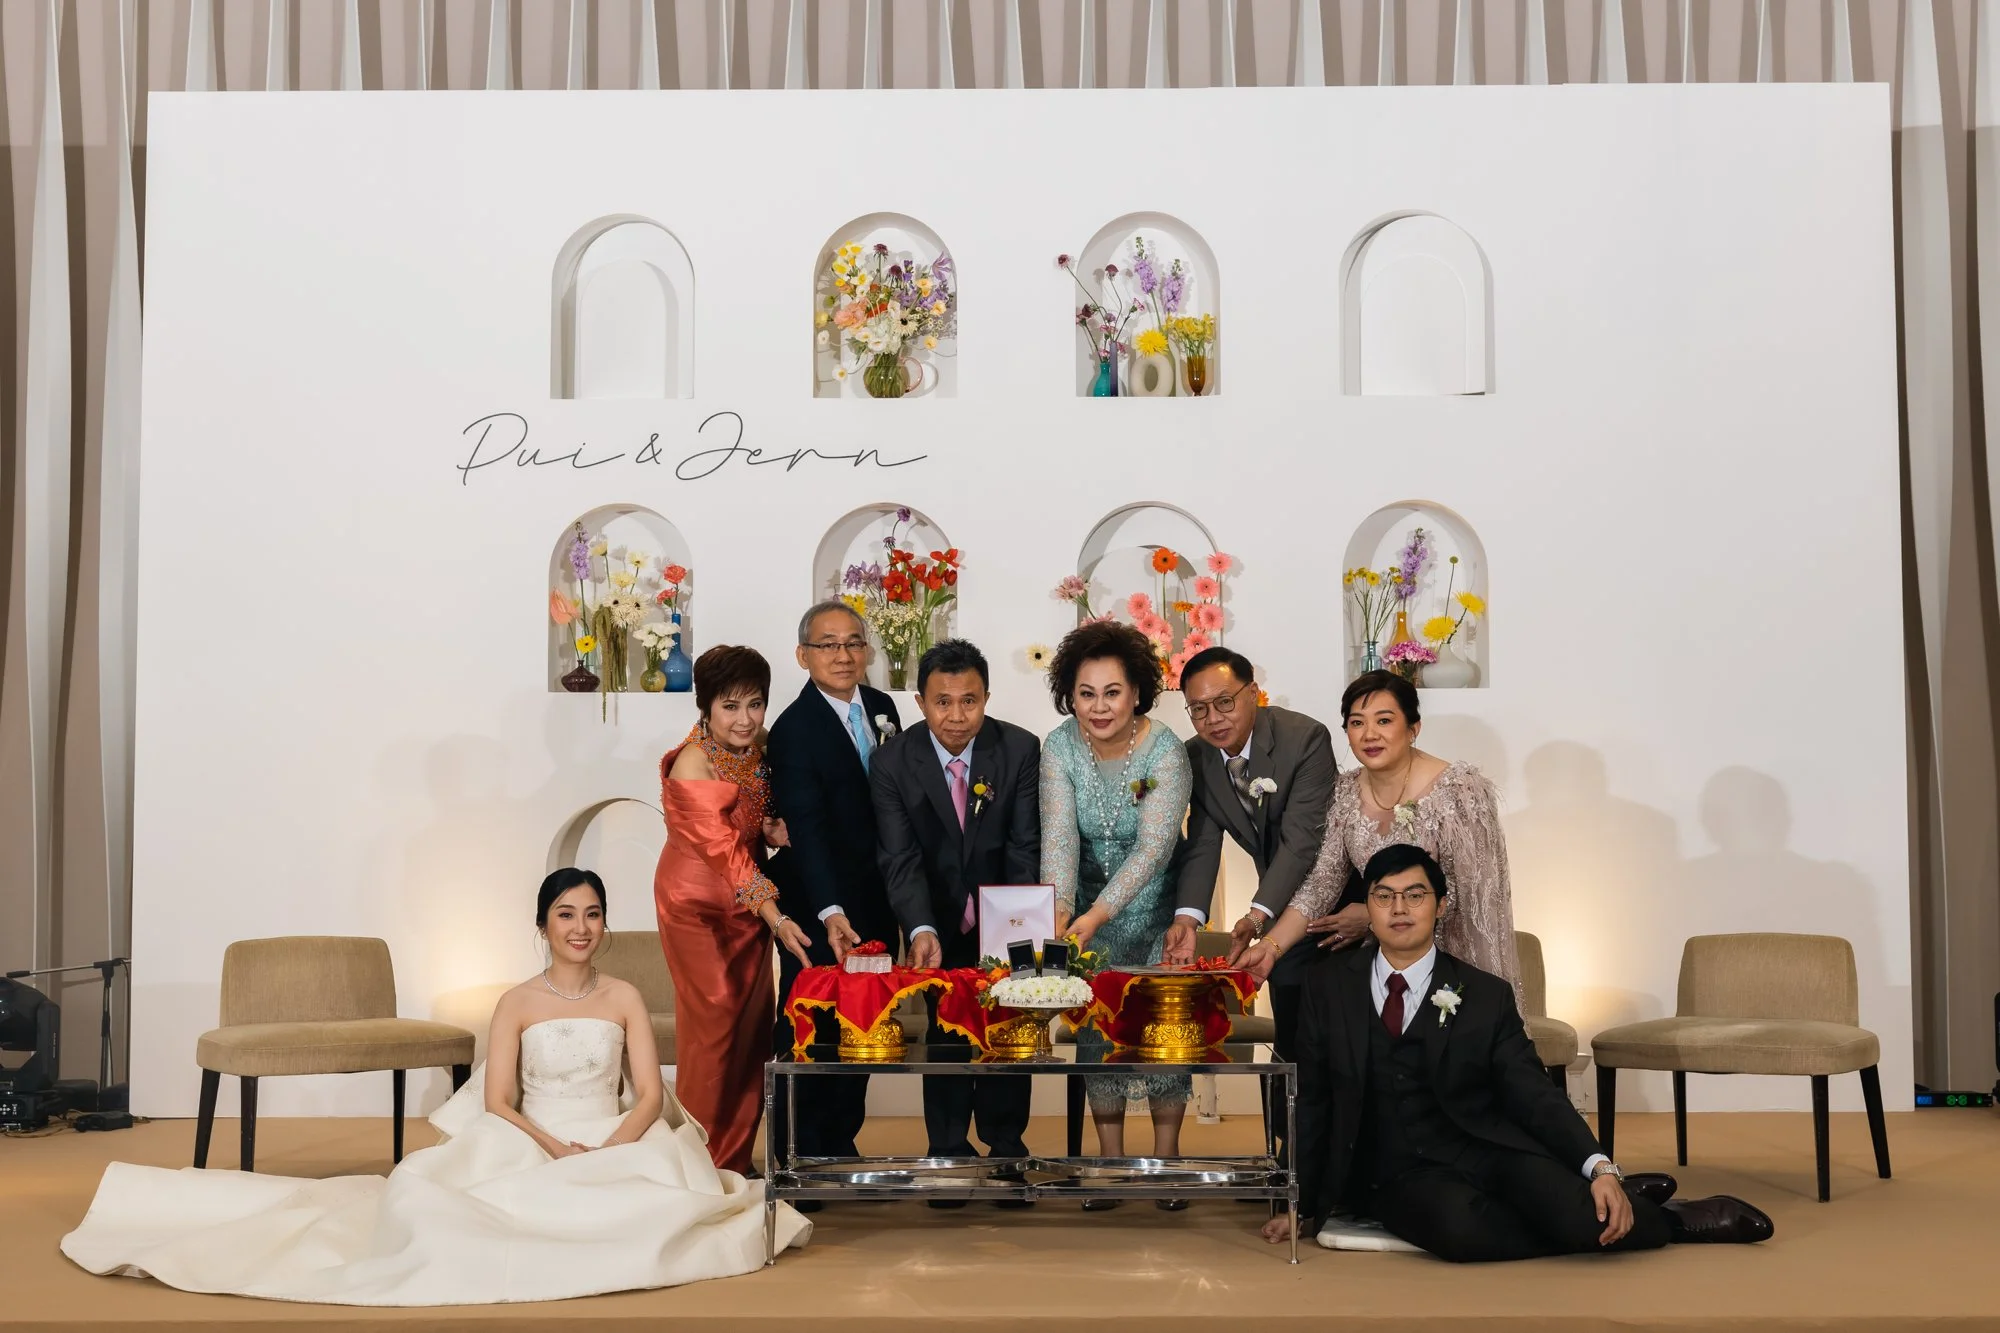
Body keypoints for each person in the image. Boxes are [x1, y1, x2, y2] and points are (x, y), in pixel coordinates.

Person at [61, 869, 811, 1304]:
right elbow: (499, 1101)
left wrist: (611, 1148)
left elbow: (647, 1095)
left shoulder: (622, 997)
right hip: (532, 1132)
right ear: (543, 925)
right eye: (565, 915)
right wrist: (554, 1148)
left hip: (613, 1133)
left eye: (592, 915)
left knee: (664, 1201)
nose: (580, 927)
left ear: (605, 924)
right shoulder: (517, 1001)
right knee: (438, 1208)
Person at [1264, 844, 1773, 1261]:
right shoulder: (1326, 987)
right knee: (1461, 1233)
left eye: (1415, 895)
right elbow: (1312, 1100)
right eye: (1384, 896)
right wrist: (1300, 1200)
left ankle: (1648, 1211)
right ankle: (1669, 1220)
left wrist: (1598, 1166)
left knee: (1578, 1212)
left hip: (1484, 1147)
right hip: (1392, 1172)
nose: (1399, 909)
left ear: (1441, 906)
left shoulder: (1485, 994)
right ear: (1368, 908)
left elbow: (1532, 1091)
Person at [1236, 670, 1524, 1013]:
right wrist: (1270, 947)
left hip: (1452, 960)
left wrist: (1375, 914)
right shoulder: (1346, 791)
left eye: (1384, 720)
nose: (1369, 734)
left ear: (1413, 727)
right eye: (1357, 723)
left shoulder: (1460, 790)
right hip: (1383, 964)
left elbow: (1476, 899)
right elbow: (1321, 882)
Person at [872, 639, 1039, 1188]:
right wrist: (920, 927)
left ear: (986, 697)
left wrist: (1016, 930)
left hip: (1006, 914)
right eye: (942, 702)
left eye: (970, 701)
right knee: (945, 1032)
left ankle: (1006, 1149)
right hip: (935, 919)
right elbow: (900, 855)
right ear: (920, 701)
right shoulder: (893, 762)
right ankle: (946, 1153)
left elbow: (1023, 846)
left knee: (1007, 1028)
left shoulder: (1018, 749)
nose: (956, 715)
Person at [1039, 620, 1194, 1200]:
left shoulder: (1165, 751)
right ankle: (1110, 1163)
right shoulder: (1059, 746)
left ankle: (1167, 1160)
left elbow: (1155, 848)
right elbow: (1059, 837)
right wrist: (1060, 913)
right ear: (1069, 695)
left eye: (1112, 692)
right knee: (1096, 1033)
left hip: (1154, 910)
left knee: (1161, 1030)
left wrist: (1099, 913)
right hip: (1084, 916)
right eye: (1086, 693)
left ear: (1136, 693)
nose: (1099, 707)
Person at [656, 645, 814, 1177]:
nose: (745, 719)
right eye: (730, 706)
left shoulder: (757, 745)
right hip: (695, 904)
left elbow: (751, 817)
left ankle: (736, 1160)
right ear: (705, 707)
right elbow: (723, 851)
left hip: (748, 906)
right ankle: (699, 1162)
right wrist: (778, 917)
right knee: (715, 1021)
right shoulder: (692, 762)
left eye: (755, 704)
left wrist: (769, 826)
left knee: (751, 1029)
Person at [766, 600, 902, 1169]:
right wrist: (829, 910)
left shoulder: (883, 707)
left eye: (853, 643)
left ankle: (841, 1142)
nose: (843, 655)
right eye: (828, 644)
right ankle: (795, 1150)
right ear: (804, 655)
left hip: (877, 898)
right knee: (811, 1022)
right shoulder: (793, 730)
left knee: (864, 1021)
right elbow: (807, 830)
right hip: (816, 904)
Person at [1163, 645, 1339, 1071]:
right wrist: (1187, 919)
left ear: (1254, 693)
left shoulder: (1304, 738)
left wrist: (1257, 916)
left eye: (1224, 702)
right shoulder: (1195, 757)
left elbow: (1302, 842)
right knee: (1291, 1038)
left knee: (1334, 1039)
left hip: (1333, 900)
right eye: (1198, 709)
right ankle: (1286, 1116)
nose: (1213, 719)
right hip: (1278, 911)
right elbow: (1203, 842)